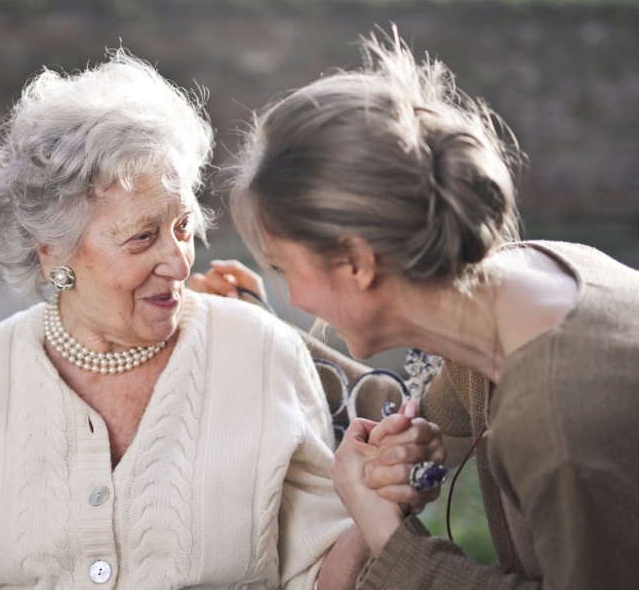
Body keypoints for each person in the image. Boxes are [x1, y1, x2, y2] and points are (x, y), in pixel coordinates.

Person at [0, 50, 371, 589]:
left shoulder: (261, 351)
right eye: (142, 237)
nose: (180, 260)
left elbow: (321, 575)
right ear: (53, 253)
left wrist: (377, 504)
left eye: (183, 226)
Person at [203, 30, 639, 589]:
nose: (297, 300)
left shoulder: (557, 425)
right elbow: (421, 421)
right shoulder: (525, 283)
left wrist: (391, 538)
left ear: (357, 262)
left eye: (284, 269)